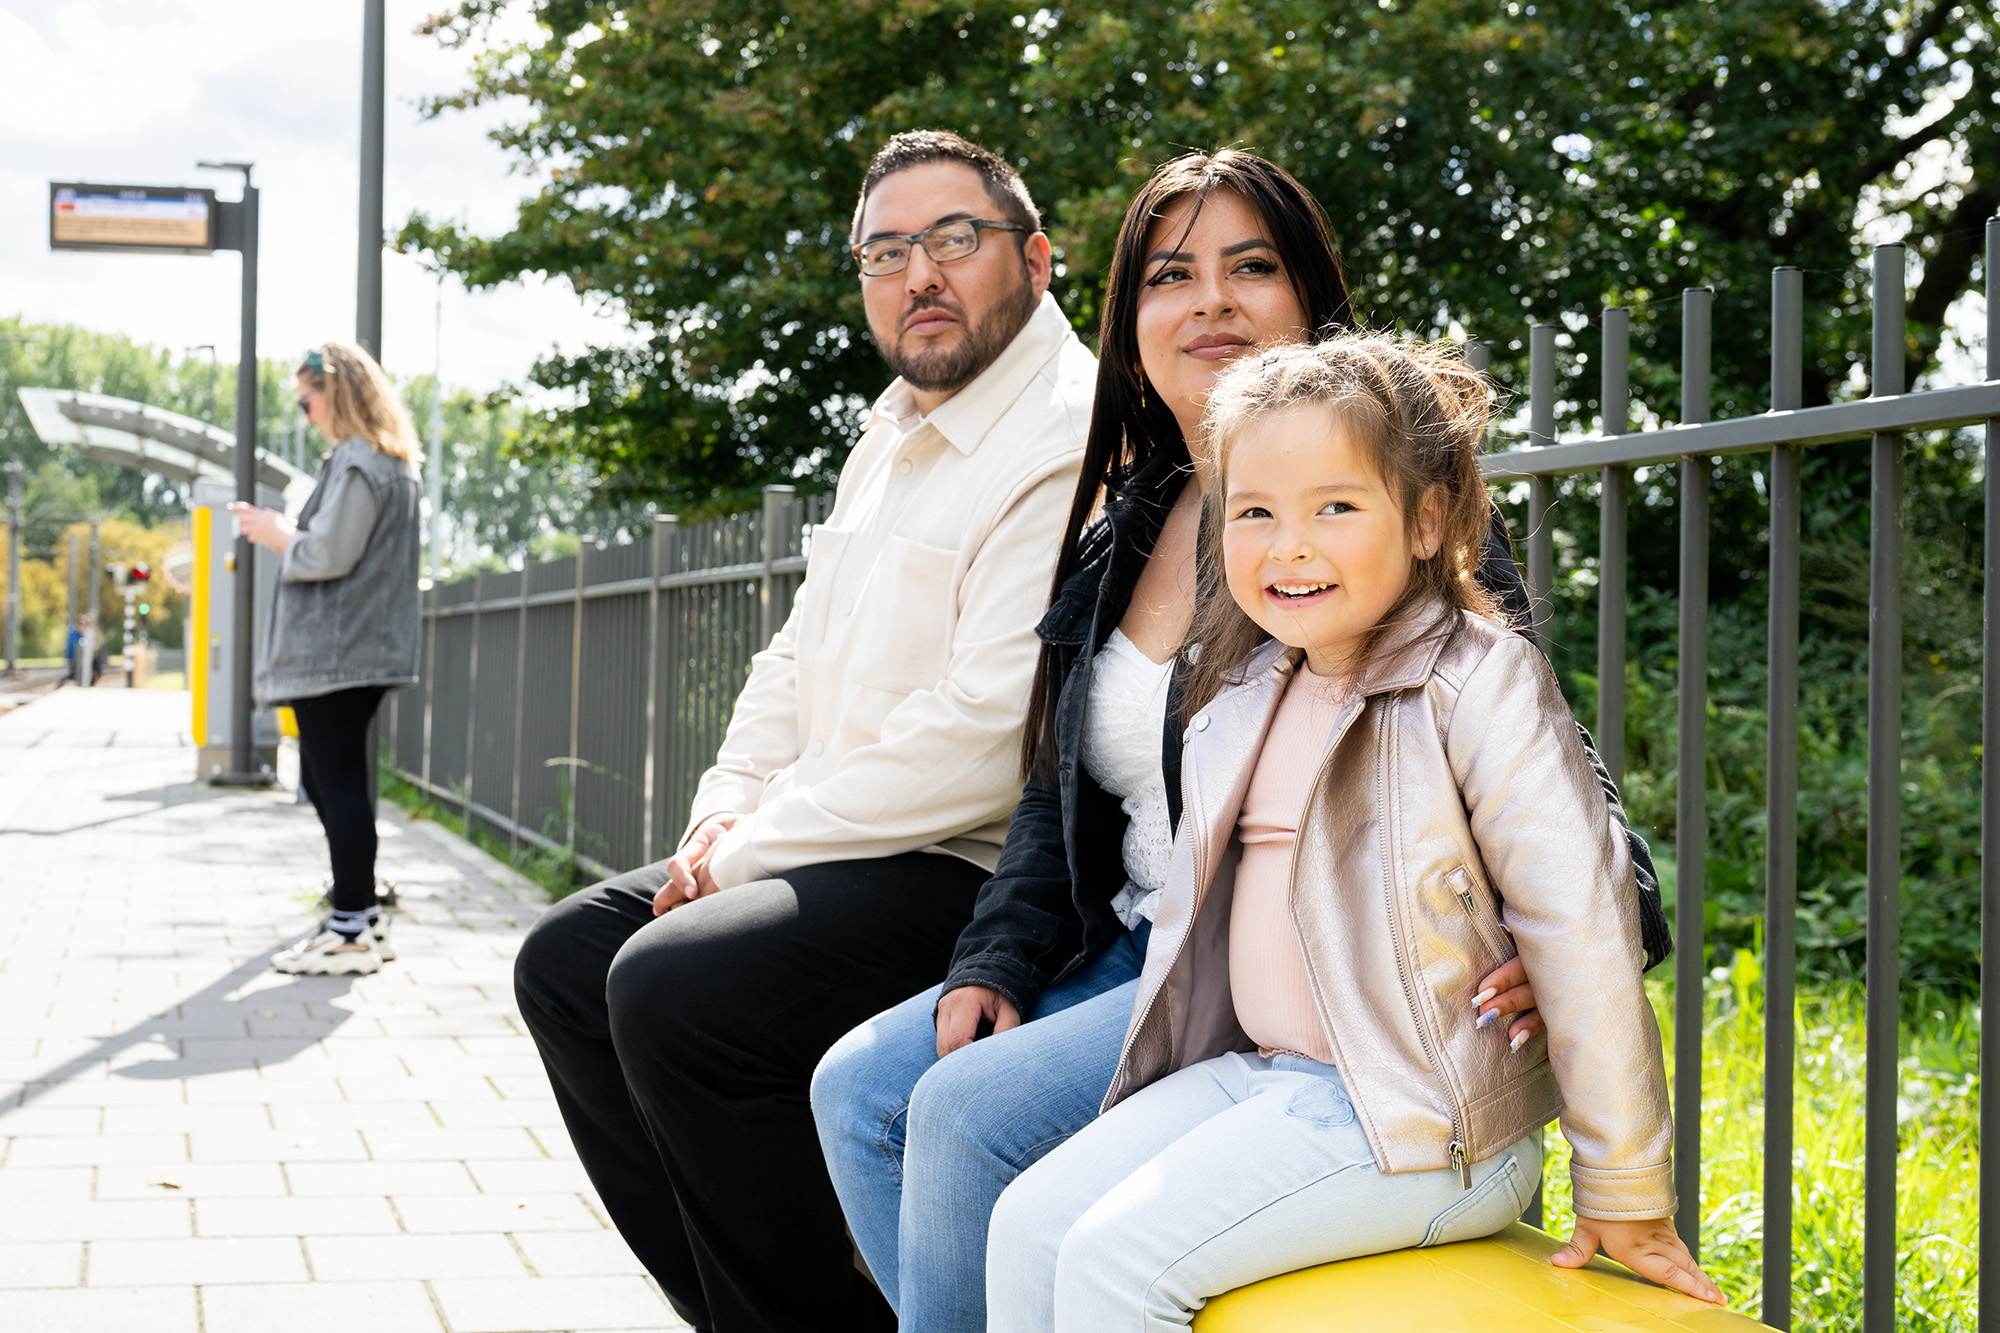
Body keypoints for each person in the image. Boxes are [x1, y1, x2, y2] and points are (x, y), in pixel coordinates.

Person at [810, 151, 1670, 1333]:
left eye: (1249, 266)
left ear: (1308, 302)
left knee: (963, 1117)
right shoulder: (1122, 522)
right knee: (863, 1086)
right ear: (1130, 324)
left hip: (1352, 1010)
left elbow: (1548, 780)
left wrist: (1578, 920)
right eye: (1171, 275)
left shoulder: (1386, 541)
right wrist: (996, 958)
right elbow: (1059, 778)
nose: (1208, 299)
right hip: (1154, 947)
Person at [983, 335, 1724, 1329]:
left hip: (1423, 1122)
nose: (1288, 543)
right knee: (1027, 1221)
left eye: (1334, 506)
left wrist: (1625, 1187)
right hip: (1268, 1078)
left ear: (1426, 520)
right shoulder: (1241, 687)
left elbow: (1581, 928)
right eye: (1253, 511)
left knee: (1118, 1261)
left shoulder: (1476, 679)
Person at [510, 130, 1096, 1333]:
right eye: (885, 251)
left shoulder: (1063, 431)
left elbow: (987, 734)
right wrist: (720, 813)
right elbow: (790, 656)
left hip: (972, 870)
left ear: (1034, 259)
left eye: (953, 239)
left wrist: (744, 854)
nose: (917, 274)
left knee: (677, 991)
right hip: (830, 840)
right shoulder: (887, 434)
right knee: (566, 965)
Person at [234, 341, 422, 976]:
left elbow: (329, 554)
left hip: (338, 655)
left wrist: (275, 531)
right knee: (327, 781)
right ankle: (359, 914)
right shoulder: (377, 459)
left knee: (336, 785)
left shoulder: (361, 462)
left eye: (307, 398)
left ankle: (350, 932)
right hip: (353, 651)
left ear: (334, 393)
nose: (304, 411)